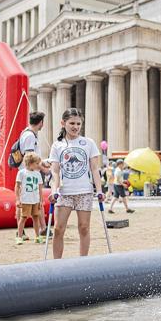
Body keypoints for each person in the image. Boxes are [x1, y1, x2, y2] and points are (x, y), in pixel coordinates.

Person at [48, 107, 104, 259]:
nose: (75, 127)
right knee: (58, 229)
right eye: (72, 123)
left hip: (84, 192)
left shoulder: (88, 143)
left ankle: (83, 261)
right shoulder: (57, 145)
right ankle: (57, 263)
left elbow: (94, 169)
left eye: (78, 124)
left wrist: (99, 190)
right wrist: (54, 190)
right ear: (63, 123)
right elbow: (55, 171)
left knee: (84, 227)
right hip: (64, 193)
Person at [14, 152, 44, 245]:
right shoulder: (21, 173)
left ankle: (37, 237)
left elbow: (40, 188)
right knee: (23, 218)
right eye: (36, 163)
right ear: (30, 163)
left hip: (35, 200)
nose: (38, 165)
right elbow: (17, 187)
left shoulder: (38, 174)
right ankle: (19, 237)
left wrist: (41, 201)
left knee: (36, 217)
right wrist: (18, 199)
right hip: (25, 200)